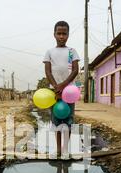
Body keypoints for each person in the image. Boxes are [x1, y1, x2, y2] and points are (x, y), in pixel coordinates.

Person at [43, 21, 80, 157]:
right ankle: (58, 149)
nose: (61, 36)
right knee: (57, 120)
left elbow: (75, 70)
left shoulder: (72, 52)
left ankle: (66, 149)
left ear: (68, 35)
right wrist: (56, 87)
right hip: (54, 92)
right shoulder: (49, 52)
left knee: (68, 120)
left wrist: (63, 85)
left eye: (64, 33)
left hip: (70, 91)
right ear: (54, 34)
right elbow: (48, 72)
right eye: (59, 33)